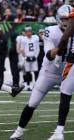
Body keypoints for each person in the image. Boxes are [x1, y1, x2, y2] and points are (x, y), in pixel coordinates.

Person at [9, 5, 70, 140]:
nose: (67, 22)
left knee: (65, 98)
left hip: (68, 72)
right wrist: (63, 42)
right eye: (65, 19)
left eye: (70, 19)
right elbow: (49, 55)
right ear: (58, 19)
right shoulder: (50, 31)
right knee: (32, 103)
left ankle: (59, 132)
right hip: (49, 72)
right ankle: (18, 131)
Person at [48, 5, 74, 140]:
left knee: (65, 93)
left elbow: (64, 39)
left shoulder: (73, 17)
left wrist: (58, 56)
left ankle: (59, 131)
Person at [20, 26, 40, 90]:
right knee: (28, 72)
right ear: (25, 33)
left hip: (34, 57)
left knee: (36, 71)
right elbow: (22, 49)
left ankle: (36, 84)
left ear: (31, 32)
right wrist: (25, 57)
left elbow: (37, 48)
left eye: (29, 31)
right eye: (27, 32)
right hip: (27, 57)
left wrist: (36, 56)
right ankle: (28, 85)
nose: (28, 33)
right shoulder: (23, 39)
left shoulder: (35, 38)